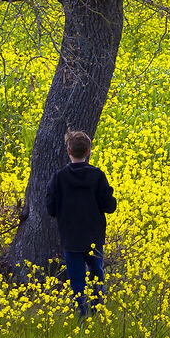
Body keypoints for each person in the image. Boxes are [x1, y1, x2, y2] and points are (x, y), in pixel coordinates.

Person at [44, 128, 117, 317]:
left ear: (68, 151)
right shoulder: (98, 176)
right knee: (96, 270)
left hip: (70, 236)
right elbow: (109, 206)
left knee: (76, 276)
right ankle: (97, 306)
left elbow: (50, 207)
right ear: (89, 151)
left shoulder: (58, 178)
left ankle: (81, 312)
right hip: (94, 234)